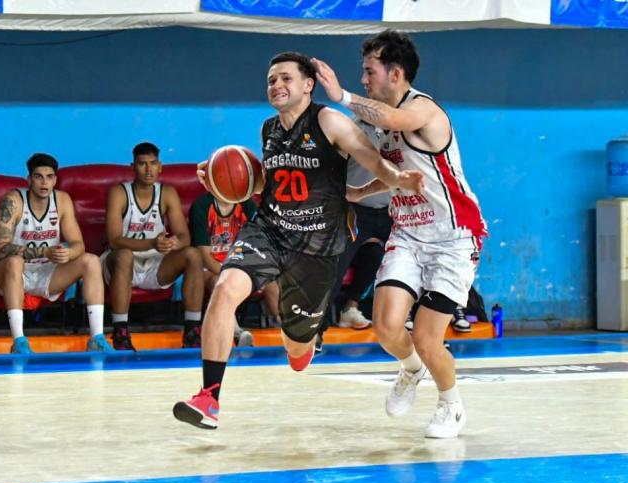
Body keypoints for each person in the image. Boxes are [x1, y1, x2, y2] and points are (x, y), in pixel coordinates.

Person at [173, 51, 424, 430]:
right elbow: (266, 184)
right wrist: (222, 183)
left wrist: (398, 179)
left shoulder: (328, 121)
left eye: (285, 78)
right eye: (271, 80)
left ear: (308, 85)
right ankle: (209, 398)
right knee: (224, 290)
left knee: (296, 349)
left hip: (316, 248)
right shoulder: (268, 130)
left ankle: (302, 343)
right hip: (269, 231)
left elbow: (371, 159)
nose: (277, 85)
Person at [312, 29, 487, 438]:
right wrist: (360, 191)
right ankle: (411, 369)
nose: (363, 79)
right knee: (386, 326)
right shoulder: (385, 125)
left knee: (427, 337)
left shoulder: (423, 109)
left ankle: (451, 405)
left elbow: (392, 119)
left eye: (369, 71)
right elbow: (400, 173)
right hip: (408, 233)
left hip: (453, 237)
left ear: (395, 73)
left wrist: (340, 96)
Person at [0, 153, 114, 354]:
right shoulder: (13, 201)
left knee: (90, 261)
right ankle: (19, 341)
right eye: (38, 176)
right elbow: (0, 249)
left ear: (55, 180)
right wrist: (44, 251)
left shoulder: (62, 200)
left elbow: (78, 245)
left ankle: (97, 338)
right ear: (29, 180)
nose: (44, 182)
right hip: (8, 274)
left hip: (46, 273)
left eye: (49, 177)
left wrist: (68, 253)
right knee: (14, 262)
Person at [101, 142, 204, 350]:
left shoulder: (167, 193)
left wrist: (174, 242)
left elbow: (184, 236)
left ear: (160, 166)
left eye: (153, 163)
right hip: (121, 263)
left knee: (193, 255)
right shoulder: (119, 193)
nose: (148, 170)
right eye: (142, 164)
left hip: (155, 264)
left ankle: (192, 331)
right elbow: (114, 240)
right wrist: (151, 243)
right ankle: (120, 332)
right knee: (124, 255)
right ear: (133, 167)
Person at [316, 118, 392, 350]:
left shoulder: (400, 131)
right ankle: (315, 330)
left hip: (389, 211)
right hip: (354, 210)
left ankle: (351, 308)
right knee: (336, 268)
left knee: (380, 257)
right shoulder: (350, 129)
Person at [188, 191, 280, 346]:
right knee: (220, 284)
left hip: (239, 265)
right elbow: (203, 255)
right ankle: (238, 333)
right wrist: (228, 275)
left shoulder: (247, 205)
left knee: (271, 284)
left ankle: (286, 329)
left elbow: (258, 245)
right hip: (209, 268)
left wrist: (257, 273)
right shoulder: (202, 205)